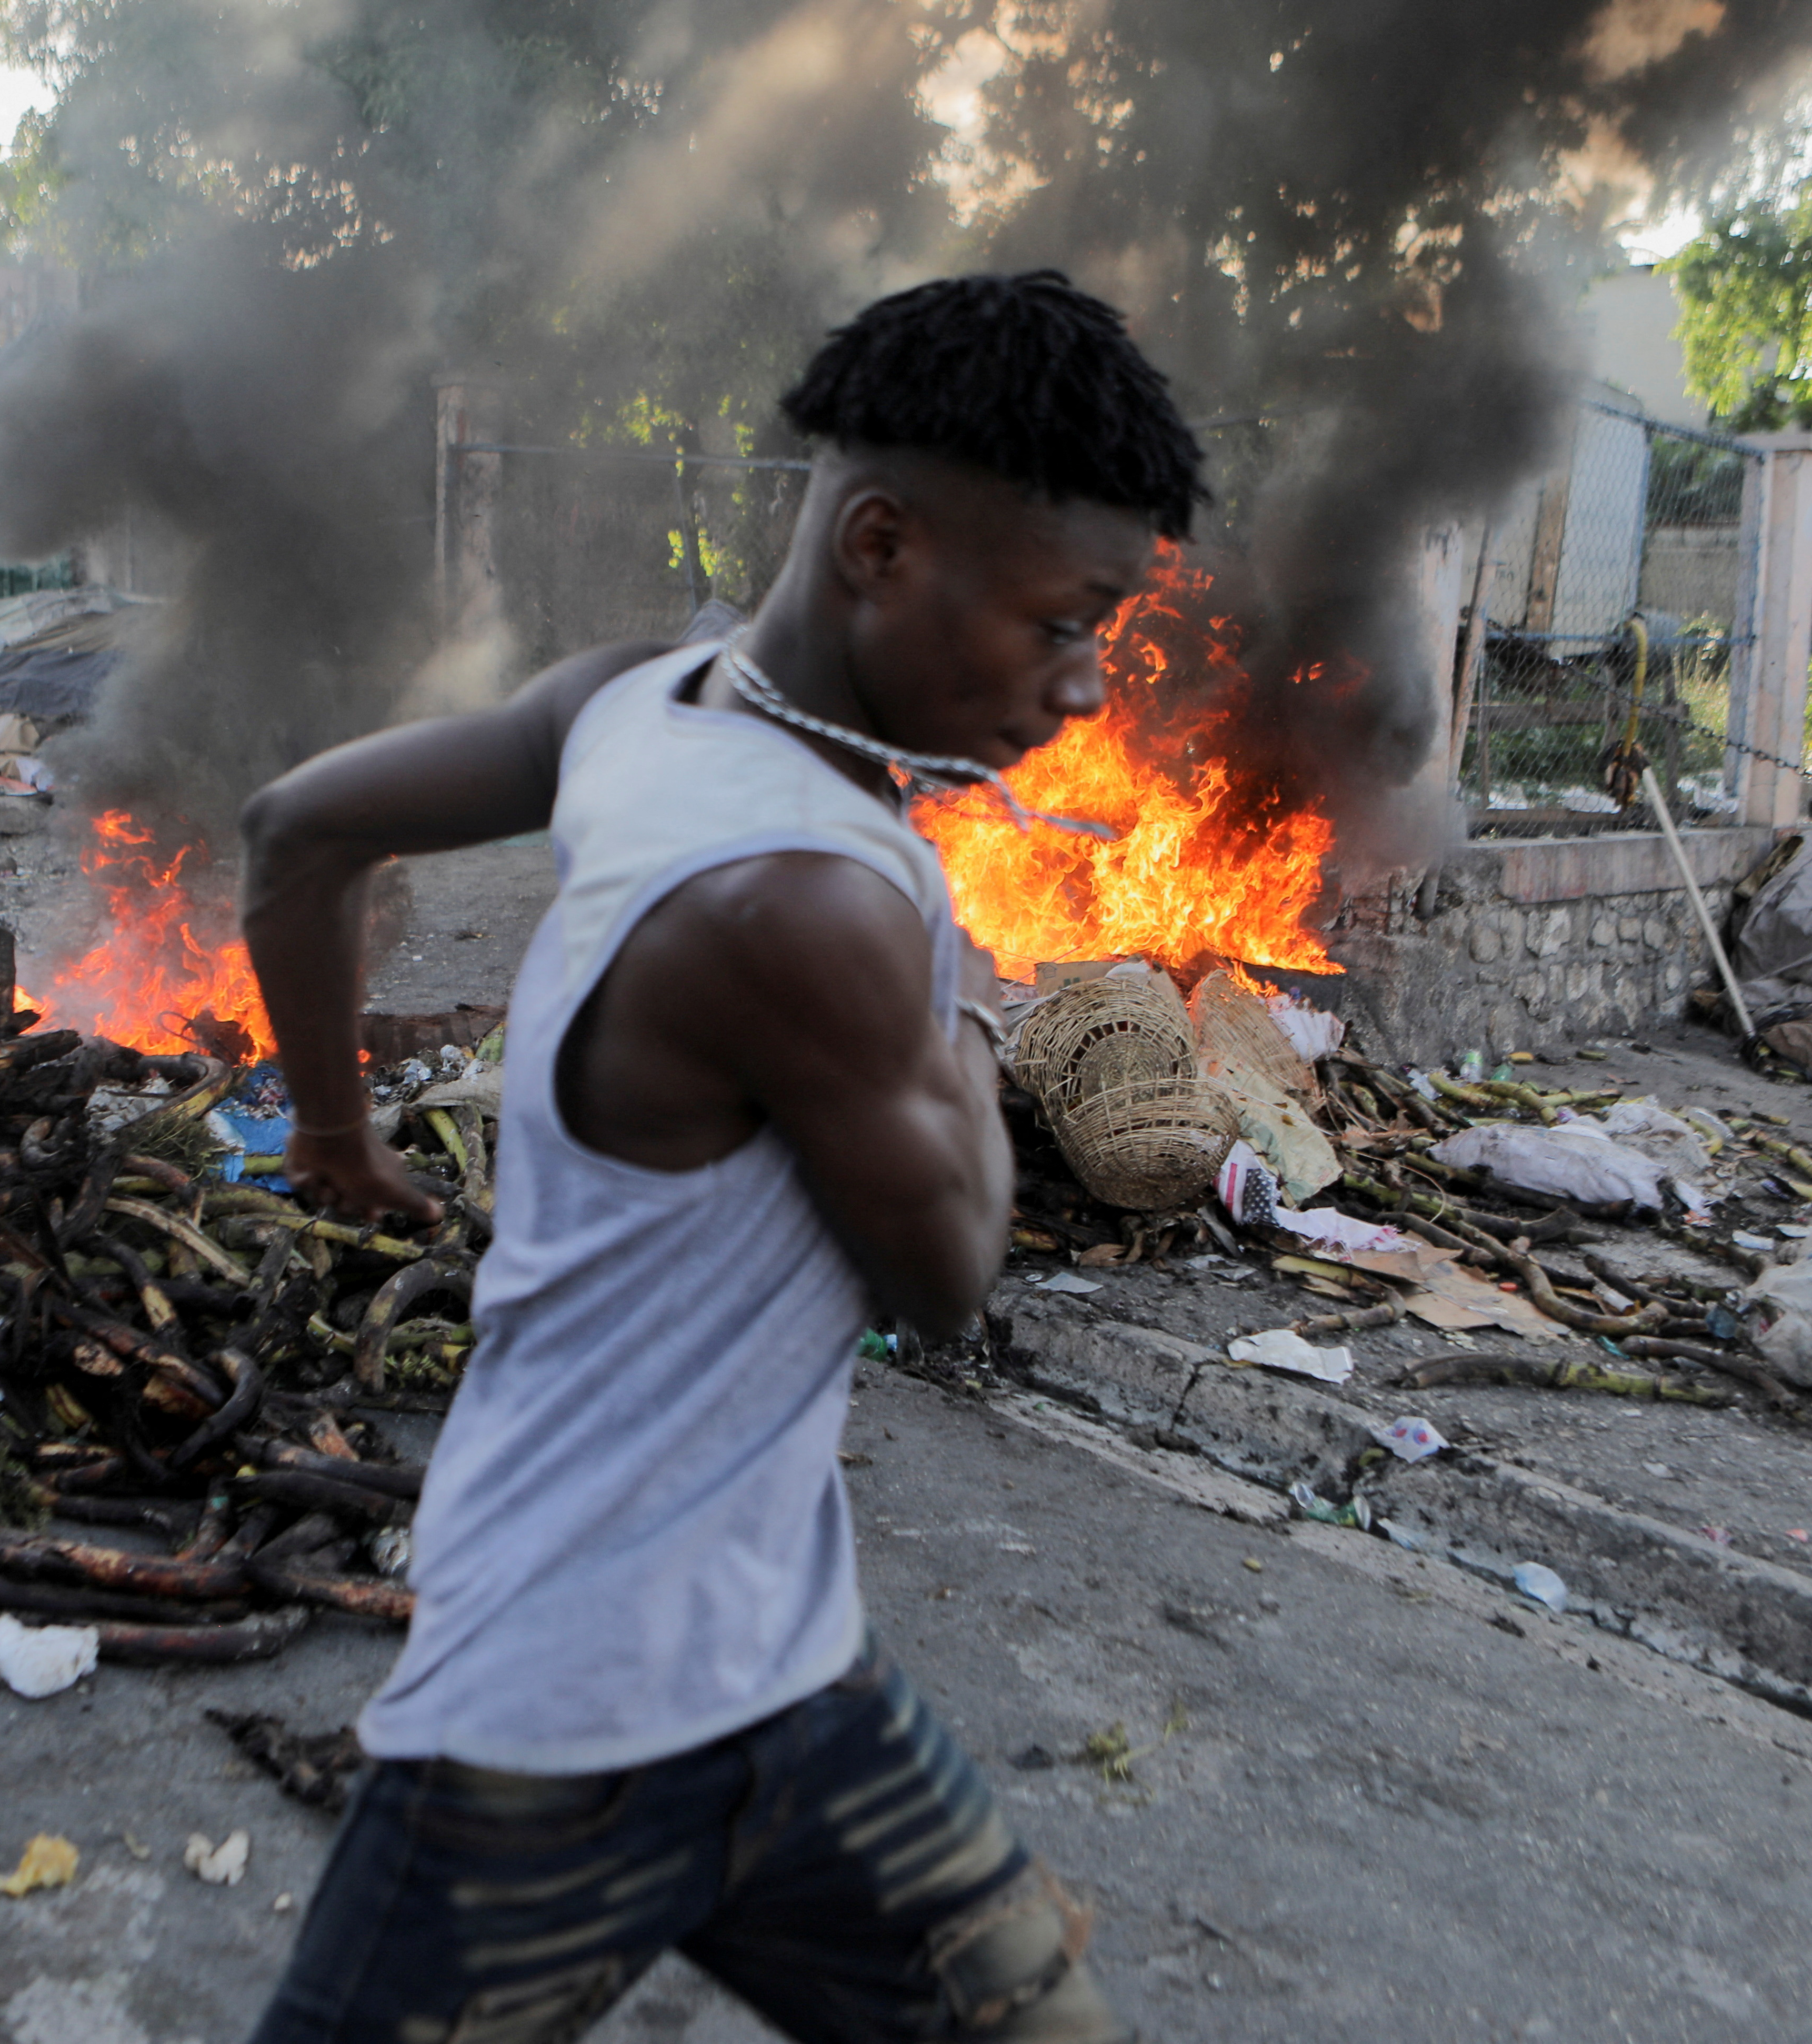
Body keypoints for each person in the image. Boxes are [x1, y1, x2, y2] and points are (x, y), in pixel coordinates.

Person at [235, 272, 1192, 2043]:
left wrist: (332, 1130)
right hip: (561, 1726)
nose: (1081, 686)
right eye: (1068, 621)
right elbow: (948, 1279)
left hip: (787, 1680)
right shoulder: (809, 901)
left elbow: (301, 831)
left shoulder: (639, 699)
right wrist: (979, 1012)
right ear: (884, 545)